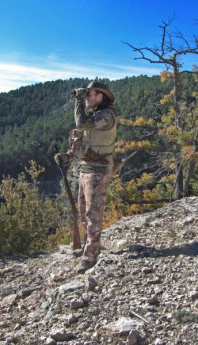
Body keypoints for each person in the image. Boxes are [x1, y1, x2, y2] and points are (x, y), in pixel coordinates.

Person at [55, 81, 117, 274]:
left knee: (93, 215)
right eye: (86, 94)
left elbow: (81, 124)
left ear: (101, 96)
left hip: (98, 171)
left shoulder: (106, 116)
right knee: (84, 212)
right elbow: (84, 142)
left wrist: (78, 100)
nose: (87, 96)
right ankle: (90, 247)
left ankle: (91, 256)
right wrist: (68, 156)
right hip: (86, 169)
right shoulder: (96, 116)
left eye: (90, 93)